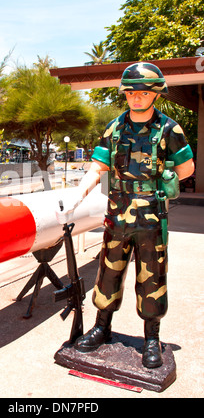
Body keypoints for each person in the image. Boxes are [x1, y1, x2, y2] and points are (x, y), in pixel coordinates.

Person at [56, 62, 194, 368]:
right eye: (131, 92)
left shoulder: (169, 129)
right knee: (108, 273)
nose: (136, 97)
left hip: (151, 219)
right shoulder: (115, 127)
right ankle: (101, 327)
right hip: (117, 214)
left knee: (152, 278)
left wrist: (164, 176)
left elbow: (187, 168)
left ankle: (151, 339)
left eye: (143, 92)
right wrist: (79, 193)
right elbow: (98, 166)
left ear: (155, 93)